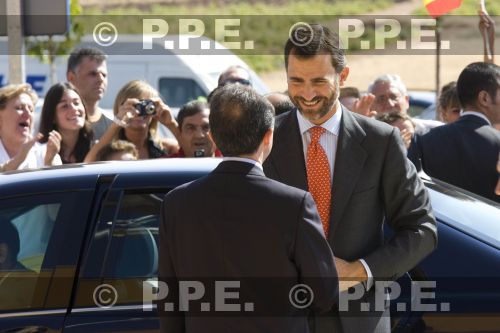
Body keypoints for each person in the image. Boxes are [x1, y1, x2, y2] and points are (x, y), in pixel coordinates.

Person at [263, 24, 437, 333]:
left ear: (343, 77)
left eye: (319, 81)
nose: (306, 93)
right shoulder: (266, 142)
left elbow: (422, 229)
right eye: (296, 81)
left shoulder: (380, 142)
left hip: (360, 321)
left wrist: (362, 271)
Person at [158, 84, 338, 333]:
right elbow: (324, 293)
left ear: (213, 137)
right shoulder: (294, 204)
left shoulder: (176, 203)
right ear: (268, 136)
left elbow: (169, 300)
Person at [409, 62, 500, 203]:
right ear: (484, 98)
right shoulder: (498, 143)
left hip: (439, 224)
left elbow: (409, 194)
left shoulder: (423, 141)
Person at [84, 80, 179, 162]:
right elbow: (88, 164)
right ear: (119, 109)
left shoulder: (167, 148)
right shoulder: (109, 150)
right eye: (131, 105)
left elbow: (192, 154)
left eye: (144, 105)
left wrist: (171, 124)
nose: (137, 111)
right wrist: (117, 123)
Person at [0, 84, 61, 171]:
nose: (28, 114)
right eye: (20, 108)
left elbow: (58, 183)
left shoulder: (45, 153)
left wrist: (49, 163)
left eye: (31, 109)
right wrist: (19, 159)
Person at [367, 74, 442, 134]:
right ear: (371, 107)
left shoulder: (435, 131)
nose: (390, 104)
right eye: (381, 99)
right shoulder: (365, 137)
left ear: (406, 100)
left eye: (394, 97)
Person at [38, 82, 93, 164]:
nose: (74, 109)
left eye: (76, 103)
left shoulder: (95, 144)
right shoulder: (40, 152)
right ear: (52, 117)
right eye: (64, 106)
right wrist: (49, 160)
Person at [66, 47, 112, 140]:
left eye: (104, 75)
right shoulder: (55, 123)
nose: (101, 79)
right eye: (93, 74)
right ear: (71, 78)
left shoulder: (113, 125)